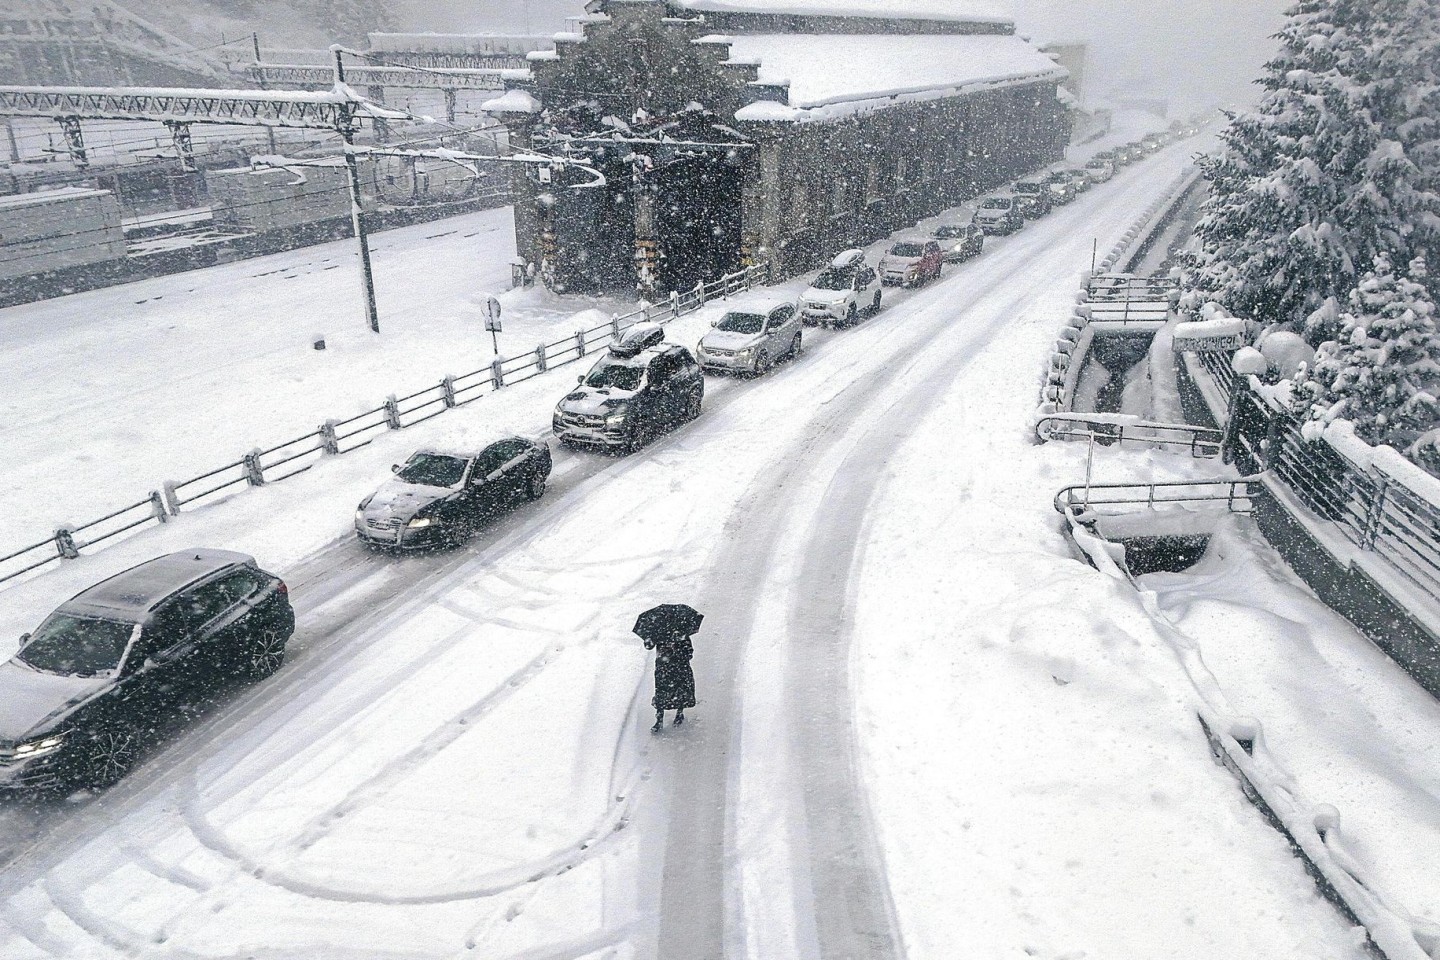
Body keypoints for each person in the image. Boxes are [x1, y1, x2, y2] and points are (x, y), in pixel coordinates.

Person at [646, 630, 696, 731]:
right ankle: (659, 720)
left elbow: (689, 653)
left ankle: (679, 713)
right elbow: (649, 645)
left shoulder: (682, 633)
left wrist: (677, 652)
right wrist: (650, 641)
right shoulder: (659, 632)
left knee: (681, 691)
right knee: (661, 692)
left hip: (679, 668)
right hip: (663, 669)